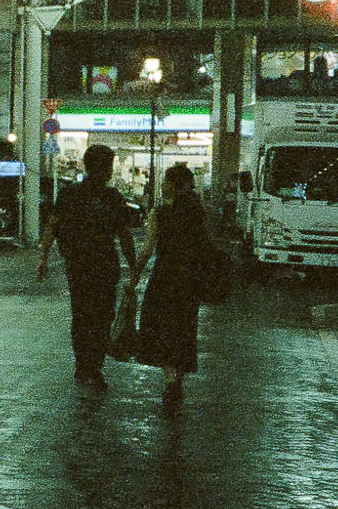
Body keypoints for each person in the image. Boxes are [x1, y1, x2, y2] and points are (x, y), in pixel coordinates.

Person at [35, 142, 137, 387]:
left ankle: (83, 365)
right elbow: (124, 235)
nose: (111, 171)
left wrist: (43, 257)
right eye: (110, 166)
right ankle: (94, 366)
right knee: (102, 316)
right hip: (104, 266)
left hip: (77, 265)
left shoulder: (70, 194)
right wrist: (134, 266)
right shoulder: (112, 197)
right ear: (104, 168)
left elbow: (53, 224)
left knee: (81, 315)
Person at [128, 162, 209, 403]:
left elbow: (146, 250)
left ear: (173, 186)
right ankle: (179, 380)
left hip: (165, 278)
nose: (162, 187)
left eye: (164, 182)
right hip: (190, 281)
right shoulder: (199, 212)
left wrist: (134, 276)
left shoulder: (160, 214)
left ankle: (171, 380)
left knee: (162, 330)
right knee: (184, 330)